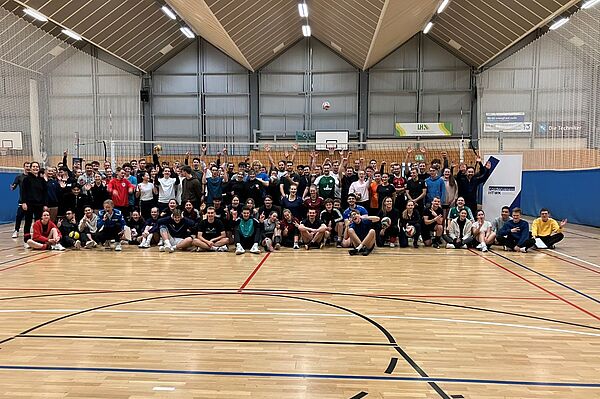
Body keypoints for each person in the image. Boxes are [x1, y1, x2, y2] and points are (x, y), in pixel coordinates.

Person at [21, 162, 47, 248]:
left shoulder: (42, 180)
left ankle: (37, 239)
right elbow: (23, 192)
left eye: (37, 167)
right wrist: (24, 202)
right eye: (34, 167)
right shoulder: (26, 179)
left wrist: (45, 204)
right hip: (29, 204)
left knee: (38, 222)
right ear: (30, 168)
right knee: (28, 222)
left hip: (39, 204)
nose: (35, 168)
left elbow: (44, 193)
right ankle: (26, 240)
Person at [11, 161, 31, 238]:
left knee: (28, 218)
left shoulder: (33, 177)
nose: (28, 168)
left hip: (31, 202)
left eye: (29, 166)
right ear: (24, 167)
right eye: (26, 166)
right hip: (22, 201)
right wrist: (13, 187)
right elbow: (14, 185)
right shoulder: (19, 177)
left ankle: (27, 232)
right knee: (19, 216)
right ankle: (16, 230)